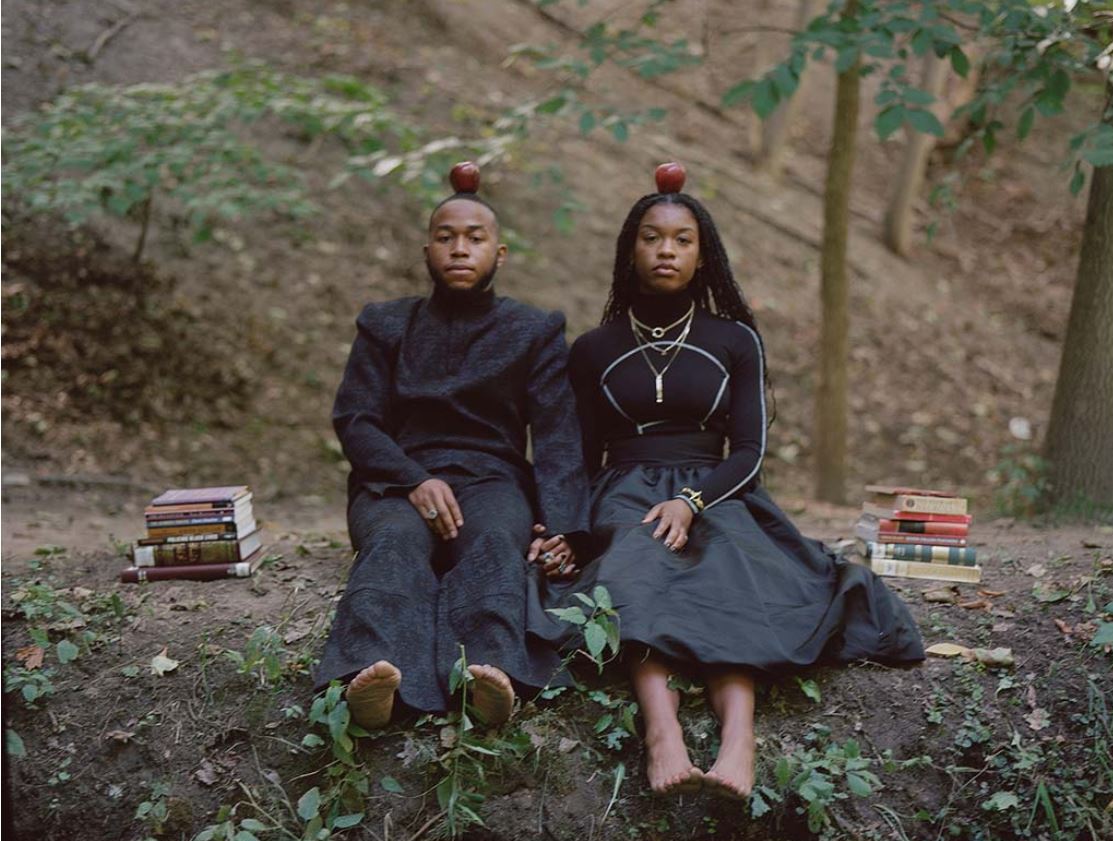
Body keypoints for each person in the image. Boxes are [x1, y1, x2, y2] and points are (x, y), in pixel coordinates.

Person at [530, 164, 924, 799]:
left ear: (702, 253)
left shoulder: (734, 340)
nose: (666, 250)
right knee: (635, 567)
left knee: (731, 572)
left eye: (682, 239)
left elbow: (748, 449)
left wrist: (690, 501)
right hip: (623, 487)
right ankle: (664, 733)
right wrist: (568, 527)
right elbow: (576, 453)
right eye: (652, 237)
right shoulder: (593, 348)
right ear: (630, 249)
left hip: (719, 486)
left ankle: (739, 738)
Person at [315, 163, 589, 730]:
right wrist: (413, 478)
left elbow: (559, 436)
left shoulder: (532, 331)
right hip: (395, 482)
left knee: (491, 542)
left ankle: (488, 675)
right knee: (393, 542)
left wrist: (564, 526)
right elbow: (357, 420)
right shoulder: (386, 325)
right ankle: (370, 678)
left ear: (500, 252)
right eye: (446, 238)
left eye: (474, 238)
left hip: (492, 481)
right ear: (426, 251)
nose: (459, 249)